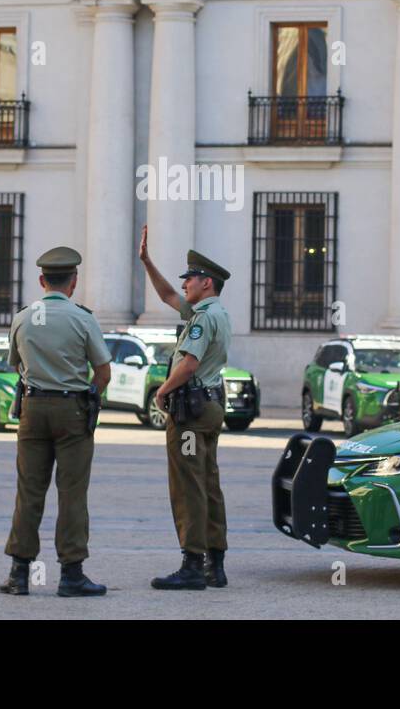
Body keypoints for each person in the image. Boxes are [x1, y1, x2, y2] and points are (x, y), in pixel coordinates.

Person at [0, 246, 111, 598]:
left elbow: (14, 363)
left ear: (41, 280)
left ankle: (20, 573)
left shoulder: (23, 317)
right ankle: (71, 574)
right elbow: (104, 371)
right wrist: (88, 392)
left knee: (29, 492)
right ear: (73, 282)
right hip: (71, 411)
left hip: (32, 409)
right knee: (72, 493)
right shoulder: (83, 319)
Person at [138, 226, 232, 590]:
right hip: (208, 407)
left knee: (187, 485)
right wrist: (147, 262)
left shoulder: (202, 318)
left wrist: (162, 391)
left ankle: (193, 564)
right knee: (208, 481)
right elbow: (165, 294)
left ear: (206, 282)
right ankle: (215, 563)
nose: (185, 284)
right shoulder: (212, 312)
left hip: (191, 414)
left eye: (190, 278)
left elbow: (189, 364)